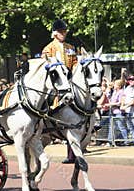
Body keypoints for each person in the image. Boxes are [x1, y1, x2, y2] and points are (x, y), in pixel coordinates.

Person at [42, 19, 78, 164]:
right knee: (47, 99)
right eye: (62, 32)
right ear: (55, 33)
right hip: (56, 83)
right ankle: (43, 119)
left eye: (65, 32)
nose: (64, 34)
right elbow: (46, 65)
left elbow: (75, 63)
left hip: (69, 82)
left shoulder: (70, 47)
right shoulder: (48, 48)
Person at [120, 75, 134, 144]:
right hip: (127, 111)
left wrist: (125, 106)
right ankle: (133, 140)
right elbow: (123, 97)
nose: (131, 81)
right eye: (129, 80)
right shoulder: (127, 88)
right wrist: (122, 105)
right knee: (130, 126)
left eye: (132, 79)